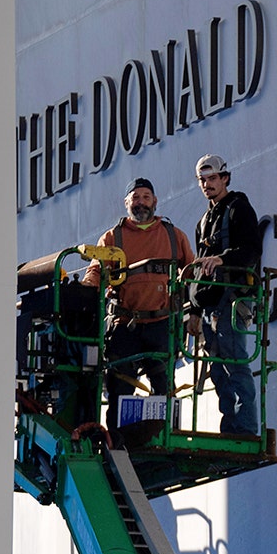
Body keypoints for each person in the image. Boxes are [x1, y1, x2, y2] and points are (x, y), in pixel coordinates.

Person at [83, 177, 195, 430]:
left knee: (164, 385)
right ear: (126, 203)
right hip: (125, 324)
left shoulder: (174, 235)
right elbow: (95, 272)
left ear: (155, 201)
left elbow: (191, 273)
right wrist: (87, 286)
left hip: (162, 322)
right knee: (120, 386)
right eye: (135, 198)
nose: (141, 203)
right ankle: (117, 441)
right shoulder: (112, 237)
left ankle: (163, 434)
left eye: (146, 197)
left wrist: (195, 312)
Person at [188, 154, 262, 435]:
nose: (207, 184)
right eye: (202, 180)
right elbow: (198, 269)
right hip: (210, 304)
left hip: (232, 299)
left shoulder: (238, 209)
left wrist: (224, 258)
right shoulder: (204, 221)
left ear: (225, 178)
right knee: (218, 370)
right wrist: (194, 312)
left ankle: (245, 425)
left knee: (235, 361)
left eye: (212, 178)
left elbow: (252, 249)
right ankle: (230, 424)